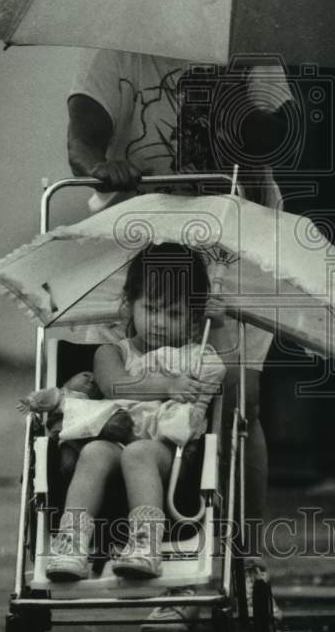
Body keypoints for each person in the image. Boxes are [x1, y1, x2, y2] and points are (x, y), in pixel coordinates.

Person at [66, 48, 291, 632]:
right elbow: (84, 135)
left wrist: (238, 87)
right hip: (139, 240)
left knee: (239, 401)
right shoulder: (120, 49)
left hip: (233, 236)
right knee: (126, 395)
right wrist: (101, 165)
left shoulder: (251, 48)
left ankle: (244, 558)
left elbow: (273, 141)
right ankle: (165, 559)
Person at [22, 243, 225, 582]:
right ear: (130, 306)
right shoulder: (112, 352)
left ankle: (146, 543)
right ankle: (72, 543)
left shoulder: (197, 357)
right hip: (115, 438)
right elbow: (116, 386)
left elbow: (218, 385)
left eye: (174, 314)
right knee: (94, 452)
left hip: (169, 454)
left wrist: (214, 333)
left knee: (139, 453)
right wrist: (165, 386)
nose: (160, 321)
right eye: (152, 308)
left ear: (193, 318)